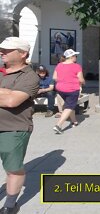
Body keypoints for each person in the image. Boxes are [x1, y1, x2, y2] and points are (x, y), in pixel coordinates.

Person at [0, 37, 39, 213]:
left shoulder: (30, 77)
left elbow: (12, 101)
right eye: (2, 49)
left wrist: (9, 94)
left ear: (22, 54)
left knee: (13, 169)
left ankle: (10, 205)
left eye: (7, 50)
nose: (2, 52)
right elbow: (7, 96)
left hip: (13, 129)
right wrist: (7, 92)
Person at [52, 49, 85, 134]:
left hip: (60, 89)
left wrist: (63, 80)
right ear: (71, 57)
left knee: (70, 104)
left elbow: (54, 77)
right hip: (72, 89)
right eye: (75, 56)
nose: (76, 58)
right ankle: (58, 125)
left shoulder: (59, 65)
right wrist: (83, 82)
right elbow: (81, 79)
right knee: (69, 107)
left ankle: (74, 121)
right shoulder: (76, 66)